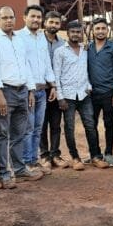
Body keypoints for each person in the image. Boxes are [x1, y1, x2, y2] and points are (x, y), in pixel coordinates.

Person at [0, 6, 42, 183]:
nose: (9, 20)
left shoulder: (19, 40)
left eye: (11, 17)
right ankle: (3, 174)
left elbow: (26, 65)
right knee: (2, 134)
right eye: (5, 18)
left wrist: (30, 90)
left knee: (19, 133)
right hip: (5, 92)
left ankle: (19, 169)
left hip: (22, 91)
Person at [53, 21, 108, 170]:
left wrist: (89, 86)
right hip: (68, 97)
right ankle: (75, 158)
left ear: (82, 33)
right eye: (73, 32)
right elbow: (56, 76)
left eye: (78, 32)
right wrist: (60, 97)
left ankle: (96, 156)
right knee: (69, 128)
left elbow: (87, 71)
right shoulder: (60, 52)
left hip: (84, 95)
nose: (76, 34)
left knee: (90, 126)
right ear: (68, 33)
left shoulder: (85, 50)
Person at [17, 5, 56, 175]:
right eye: (32, 16)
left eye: (39, 17)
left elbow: (47, 63)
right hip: (28, 91)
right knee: (28, 128)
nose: (36, 20)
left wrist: (52, 85)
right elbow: (22, 65)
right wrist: (30, 90)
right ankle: (26, 163)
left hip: (42, 90)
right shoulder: (18, 37)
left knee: (38, 128)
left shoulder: (41, 37)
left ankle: (34, 160)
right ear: (24, 17)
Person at [87, 17, 113, 165]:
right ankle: (95, 154)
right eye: (97, 29)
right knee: (91, 124)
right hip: (91, 93)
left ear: (107, 30)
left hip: (108, 92)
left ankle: (108, 153)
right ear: (92, 31)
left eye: (103, 28)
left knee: (108, 123)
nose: (100, 31)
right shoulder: (87, 48)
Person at [39, 11, 69, 169]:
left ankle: (55, 154)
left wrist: (57, 88)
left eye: (57, 23)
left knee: (56, 123)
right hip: (40, 88)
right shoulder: (37, 40)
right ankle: (44, 156)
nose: (53, 25)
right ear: (45, 23)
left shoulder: (63, 44)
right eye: (51, 22)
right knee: (41, 124)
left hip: (57, 89)